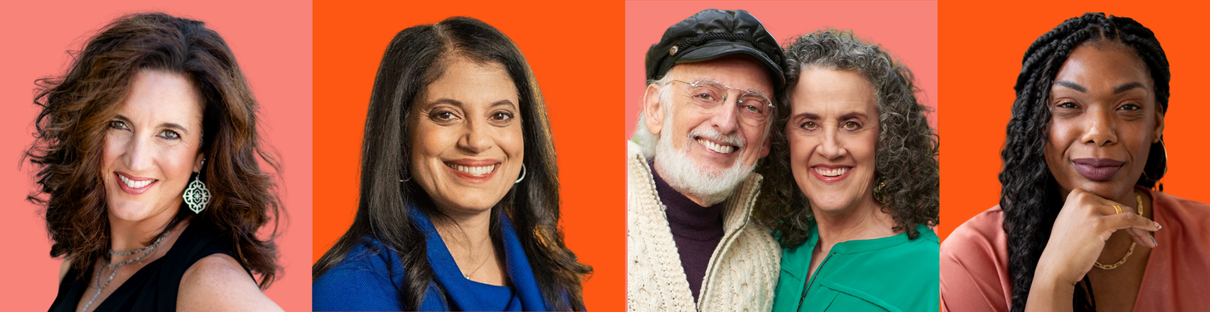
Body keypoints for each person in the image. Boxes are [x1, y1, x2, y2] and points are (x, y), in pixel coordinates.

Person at [938, 12, 1210, 312]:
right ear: (1037, 122)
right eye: (1069, 105)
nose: (1099, 133)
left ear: (1156, 123)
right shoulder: (972, 257)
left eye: (1128, 107)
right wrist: (1054, 277)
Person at [310, 16, 590, 311]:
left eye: (500, 116)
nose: (477, 141)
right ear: (401, 133)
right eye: (446, 114)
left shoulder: (554, 279)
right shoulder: (345, 293)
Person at [29, 12, 283, 312]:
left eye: (169, 134)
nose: (136, 161)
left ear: (202, 156)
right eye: (119, 124)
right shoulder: (81, 264)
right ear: (89, 128)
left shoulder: (210, 284)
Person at [750, 29, 942, 312]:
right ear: (781, 136)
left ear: (886, 135)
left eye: (851, 124)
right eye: (808, 124)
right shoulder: (768, 246)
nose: (830, 148)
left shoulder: (932, 270)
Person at [624, 8, 786, 311]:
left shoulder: (769, 257)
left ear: (767, 138)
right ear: (656, 108)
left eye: (751, 107)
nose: (726, 123)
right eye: (705, 95)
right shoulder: (591, 207)